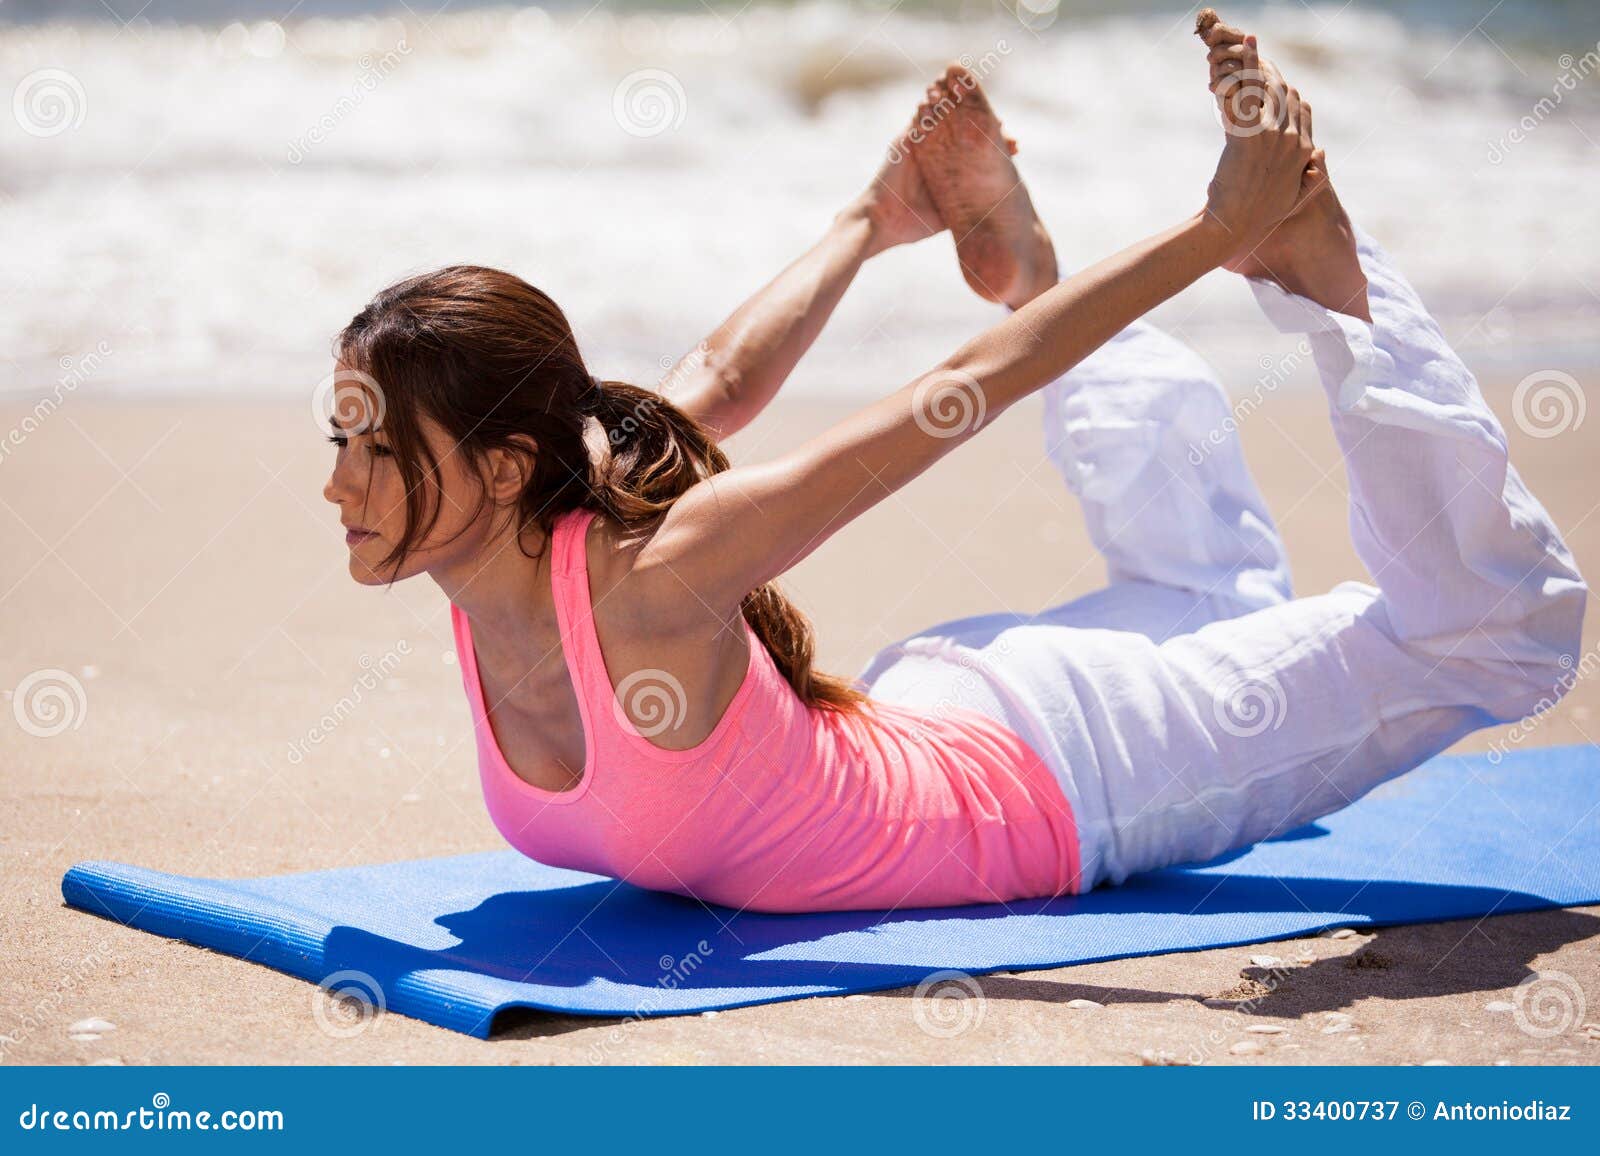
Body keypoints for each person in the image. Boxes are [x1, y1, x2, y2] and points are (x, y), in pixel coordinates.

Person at [321, 10, 1584, 913]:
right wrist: (871, 222)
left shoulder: (658, 576)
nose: (340, 486)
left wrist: (1217, 234)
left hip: (1073, 775)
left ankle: (1322, 276)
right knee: (1214, 607)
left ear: (499, 467)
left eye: (379, 450)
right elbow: (709, 382)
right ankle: (1028, 258)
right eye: (342, 440)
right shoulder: (521, 531)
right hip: (952, 699)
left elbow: (961, 393)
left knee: (1489, 635)